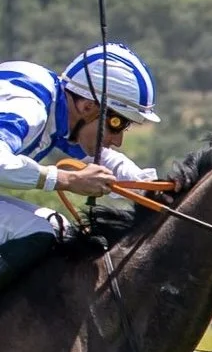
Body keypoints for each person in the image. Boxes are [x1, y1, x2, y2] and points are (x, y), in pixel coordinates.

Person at [0, 42, 162, 289]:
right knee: (37, 231)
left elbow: (100, 158)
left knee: (60, 230)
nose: (117, 140)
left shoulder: (56, 108)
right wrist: (68, 181)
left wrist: (147, 185)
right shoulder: (29, 107)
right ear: (87, 106)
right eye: (116, 124)